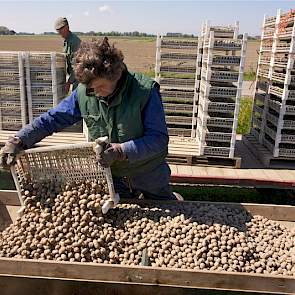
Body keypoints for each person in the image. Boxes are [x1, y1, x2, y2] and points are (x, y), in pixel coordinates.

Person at [0, 37, 182, 201]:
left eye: (100, 87)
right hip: (113, 176)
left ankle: (173, 197)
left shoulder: (145, 91)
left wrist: (121, 150)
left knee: (166, 209)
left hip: (149, 172)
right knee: (123, 217)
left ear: (115, 75)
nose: (95, 94)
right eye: (90, 89)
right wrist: (20, 140)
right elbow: (52, 119)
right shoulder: (85, 93)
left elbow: (158, 139)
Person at [54, 16, 81, 93]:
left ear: (67, 27)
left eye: (61, 29)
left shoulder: (75, 42)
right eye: (58, 30)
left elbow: (77, 65)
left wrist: (69, 82)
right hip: (74, 77)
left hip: (79, 77)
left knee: (76, 100)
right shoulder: (66, 41)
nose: (59, 32)